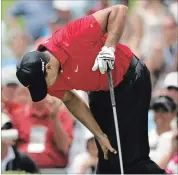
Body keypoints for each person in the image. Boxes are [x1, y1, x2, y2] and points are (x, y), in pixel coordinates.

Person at [16, 4, 166, 174]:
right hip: (99, 89)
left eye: (44, 84)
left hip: (130, 78)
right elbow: (71, 100)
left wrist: (109, 48)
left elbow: (119, 10)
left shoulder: (72, 35)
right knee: (107, 154)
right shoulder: (45, 76)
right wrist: (99, 134)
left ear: (49, 67)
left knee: (132, 158)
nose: (47, 88)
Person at [10, 95, 73, 168]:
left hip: (53, 169)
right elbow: (10, 146)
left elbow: (64, 147)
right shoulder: (18, 115)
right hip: (24, 168)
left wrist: (54, 117)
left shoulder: (62, 115)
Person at [148, 95, 177, 161]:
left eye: (164, 110)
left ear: (173, 114)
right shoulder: (145, 136)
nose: (159, 114)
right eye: (156, 110)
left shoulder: (176, 137)